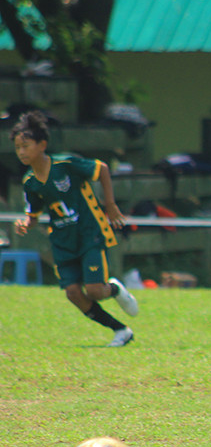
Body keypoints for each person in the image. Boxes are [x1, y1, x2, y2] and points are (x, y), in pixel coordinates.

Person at [10, 110, 138, 346]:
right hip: (62, 242)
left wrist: (110, 205)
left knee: (95, 291)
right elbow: (34, 214)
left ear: (42, 145)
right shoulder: (30, 182)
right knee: (73, 293)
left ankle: (115, 289)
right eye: (17, 147)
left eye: (25, 146)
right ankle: (120, 330)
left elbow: (102, 169)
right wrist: (25, 223)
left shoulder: (66, 164)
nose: (21, 152)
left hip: (89, 233)